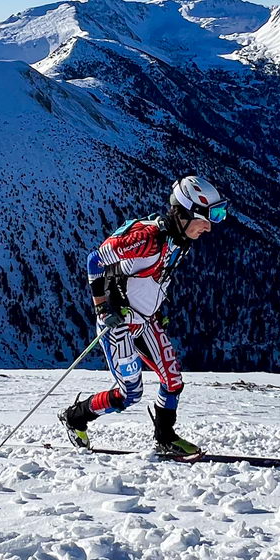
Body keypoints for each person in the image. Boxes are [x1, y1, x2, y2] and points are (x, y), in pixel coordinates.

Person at [60, 174, 230, 458]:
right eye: (209, 217)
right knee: (130, 393)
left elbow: (150, 279)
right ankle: (76, 417)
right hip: (118, 323)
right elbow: (95, 260)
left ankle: (165, 437)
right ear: (187, 213)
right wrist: (102, 306)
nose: (210, 227)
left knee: (172, 379)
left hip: (145, 319)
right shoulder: (147, 238)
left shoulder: (179, 240)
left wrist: (156, 310)